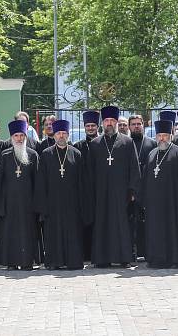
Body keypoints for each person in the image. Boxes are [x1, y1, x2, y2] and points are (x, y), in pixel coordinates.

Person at [89, 106, 141, 268]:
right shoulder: (95, 143)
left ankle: (124, 257)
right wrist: (92, 192)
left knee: (122, 224)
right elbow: (90, 171)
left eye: (112, 121)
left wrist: (132, 190)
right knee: (102, 223)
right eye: (106, 121)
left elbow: (134, 167)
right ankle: (102, 258)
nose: (109, 123)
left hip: (121, 192)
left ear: (117, 122)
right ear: (102, 123)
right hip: (101, 193)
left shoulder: (127, 142)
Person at [35, 119, 88, 270]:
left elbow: (82, 182)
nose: (61, 136)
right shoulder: (46, 154)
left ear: (68, 134)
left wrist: (81, 204)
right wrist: (43, 206)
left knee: (73, 234)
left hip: (72, 204)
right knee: (53, 233)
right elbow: (41, 182)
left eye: (64, 133)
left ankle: (74, 262)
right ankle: (54, 262)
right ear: (54, 135)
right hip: (52, 203)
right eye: (58, 133)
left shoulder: (76, 154)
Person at [140, 120, 178, 268]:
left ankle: (172, 259)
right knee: (154, 231)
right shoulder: (152, 153)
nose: (162, 138)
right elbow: (146, 178)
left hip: (172, 203)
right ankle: (155, 259)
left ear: (171, 136)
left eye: (165, 135)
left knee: (171, 231)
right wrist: (144, 200)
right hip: (153, 205)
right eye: (159, 135)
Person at [0, 120, 40, 270]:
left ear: (26, 136)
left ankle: (27, 262)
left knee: (28, 233)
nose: (19, 139)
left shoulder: (33, 155)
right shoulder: (5, 156)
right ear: (11, 137)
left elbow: (37, 182)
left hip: (28, 204)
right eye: (16, 136)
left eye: (22, 135)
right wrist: (0, 206)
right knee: (10, 234)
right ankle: (11, 262)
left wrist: (37, 206)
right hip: (9, 204)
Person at [129, 113, 156, 260]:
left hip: (147, 188)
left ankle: (146, 252)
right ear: (129, 127)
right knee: (131, 223)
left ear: (143, 125)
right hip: (130, 190)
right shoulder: (126, 143)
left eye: (139, 124)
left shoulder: (151, 144)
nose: (136, 126)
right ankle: (132, 252)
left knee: (146, 223)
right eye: (133, 124)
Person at [74, 110, 100, 262]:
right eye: (88, 126)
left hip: (101, 190)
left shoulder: (104, 143)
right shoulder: (78, 146)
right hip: (84, 191)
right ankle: (86, 254)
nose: (90, 128)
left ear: (97, 127)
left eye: (93, 125)